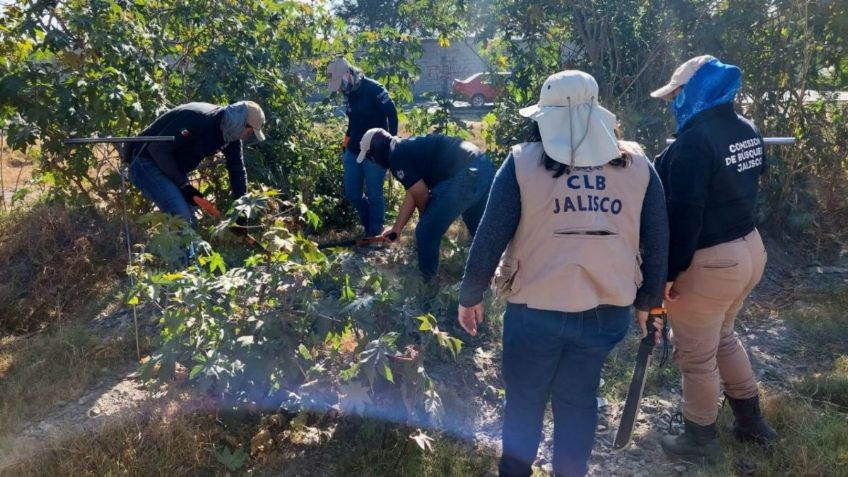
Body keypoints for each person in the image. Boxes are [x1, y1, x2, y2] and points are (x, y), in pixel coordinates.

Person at [457, 70, 668, 477]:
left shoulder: (522, 162)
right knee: (578, 400)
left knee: (525, 400)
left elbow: (490, 235)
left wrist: (470, 295)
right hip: (606, 310)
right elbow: (658, 240)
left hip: (534, 311)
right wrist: (650, 303)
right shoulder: (638, 165)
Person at [651, 55, 778, 463]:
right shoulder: (746, 129)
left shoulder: (693, 143)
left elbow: (685, 214)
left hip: (710, 262)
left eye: (677, 93)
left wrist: (667, 274)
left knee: (696, 355)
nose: (673, 102)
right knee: (723, 336)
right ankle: (752, 423)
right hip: (749, 251)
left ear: (696, 91)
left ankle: (700, 441)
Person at [356, 128, 494, 281]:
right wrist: (397, 229)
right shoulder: (404, 148)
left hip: (466, 175)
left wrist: (426, 219)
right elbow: (413, 192)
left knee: (425, 233)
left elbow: (422, 194)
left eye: (370, 157)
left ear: (376, 151)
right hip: (482, 167)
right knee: (480, 230)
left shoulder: (396, 157)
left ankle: (428, 288)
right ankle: (492, 277)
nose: (373, 162)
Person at [124, 101, 266, 226]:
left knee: (190, 221)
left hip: (170, 167)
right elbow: (157, 149)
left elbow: (237, 170)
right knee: (182, 217)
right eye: (250, 132)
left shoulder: (231, 137)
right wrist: (183, 184)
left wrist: (241, 210)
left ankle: (179, 256)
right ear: (241, 122)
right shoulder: (200, 119)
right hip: (145, 160)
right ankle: (182, 257)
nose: (249, 136)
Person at [327, 56, 399, 236]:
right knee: (353, 193)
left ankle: (375, 232)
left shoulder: (374, 89)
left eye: (341, 83)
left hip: (375, 151)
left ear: (349, 75)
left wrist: (392, 144)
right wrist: (345, 143)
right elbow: (353, 121)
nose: (340, 89)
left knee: (375, 194)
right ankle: (369, 226)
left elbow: (392, 114)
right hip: (353, 150)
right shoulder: (349, 93)